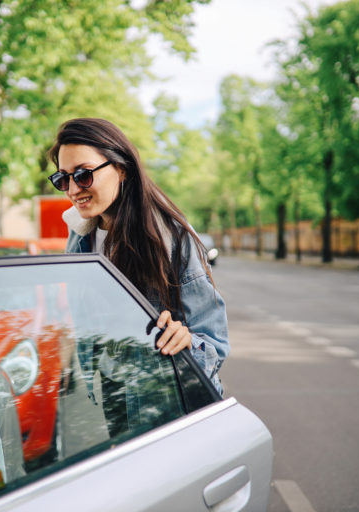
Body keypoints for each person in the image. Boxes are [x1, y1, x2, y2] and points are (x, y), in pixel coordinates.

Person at [47, 117, 229, 395]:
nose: (72, 190)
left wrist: (186, 340)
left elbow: (214, 344)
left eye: (84, 174)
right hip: (113, 394)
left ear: (120, 169)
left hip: (166, 397)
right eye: (63, 178)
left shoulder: (172, 238)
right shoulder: (78, 234)